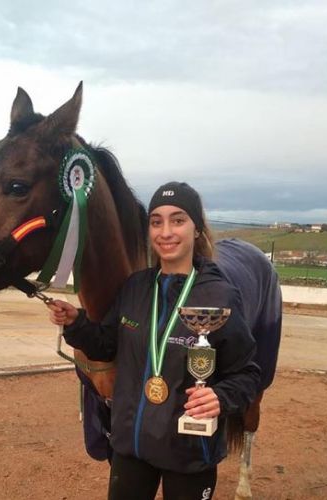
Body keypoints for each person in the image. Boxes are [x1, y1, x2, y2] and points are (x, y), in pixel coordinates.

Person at [48, 182, 261, 500]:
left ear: (197, 229)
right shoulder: (135, 287)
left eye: (178, 220)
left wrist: (221, 396)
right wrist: (76, 323)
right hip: (132, 446)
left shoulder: (220, 295)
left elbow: (248, 373)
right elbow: (106, 345)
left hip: (189, 452)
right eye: (156, 221)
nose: (166, 232)